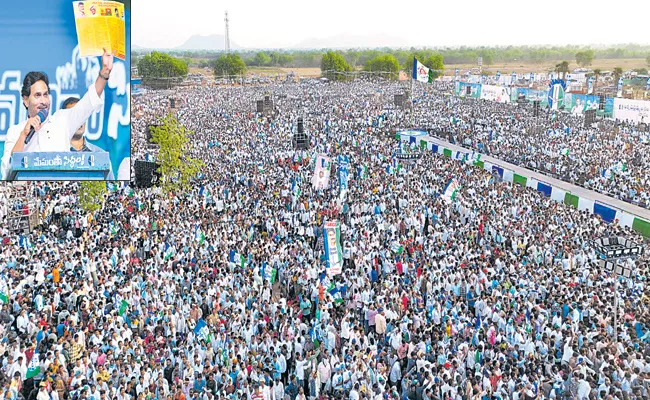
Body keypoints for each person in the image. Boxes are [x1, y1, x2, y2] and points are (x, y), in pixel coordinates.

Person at [0, 48, 114, 180]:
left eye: (45, 95)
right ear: (26, 100)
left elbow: (89, 102)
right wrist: (24, 135)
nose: (43, 101)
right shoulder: (15, 132)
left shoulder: (62, 120)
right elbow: (6, 171)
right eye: (37, 95)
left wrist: (104, 72)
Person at [62, 96, 114, 180]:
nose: (79, 120)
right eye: (74, 116)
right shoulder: (56, 152)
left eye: (81, 115)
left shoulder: (101, 155)